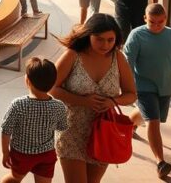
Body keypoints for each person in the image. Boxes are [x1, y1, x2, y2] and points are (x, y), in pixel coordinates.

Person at [52, 13, 137, 183]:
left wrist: (113, 101)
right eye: (99, 39)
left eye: (110, 40)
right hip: (71, 130)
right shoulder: (73, 55)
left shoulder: (118, 58)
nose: (105, 45)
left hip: (103, 132)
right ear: (88, 35)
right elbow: (51, 87)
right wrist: (83, 101)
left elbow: (131, 95)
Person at [123, 3, 171, 179]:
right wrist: (127, 87)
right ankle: (161, 162)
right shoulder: (137, 35)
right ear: (145, 19)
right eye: (152, 22)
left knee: (149, 116)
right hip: (143, 87)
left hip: (165, 87)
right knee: (154, 121)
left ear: (166, 19)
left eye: (161, 22)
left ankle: (129, 125)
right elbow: (127, 63)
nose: (157, 26)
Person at [0, 58, 69, 183]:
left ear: (27, 80)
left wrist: (5, 153)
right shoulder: (59, 106)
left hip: (21, 154)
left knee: (14, 177)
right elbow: (62, 127)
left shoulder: (18, 105)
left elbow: (6, 131)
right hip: (47, 154)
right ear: (53, 82)